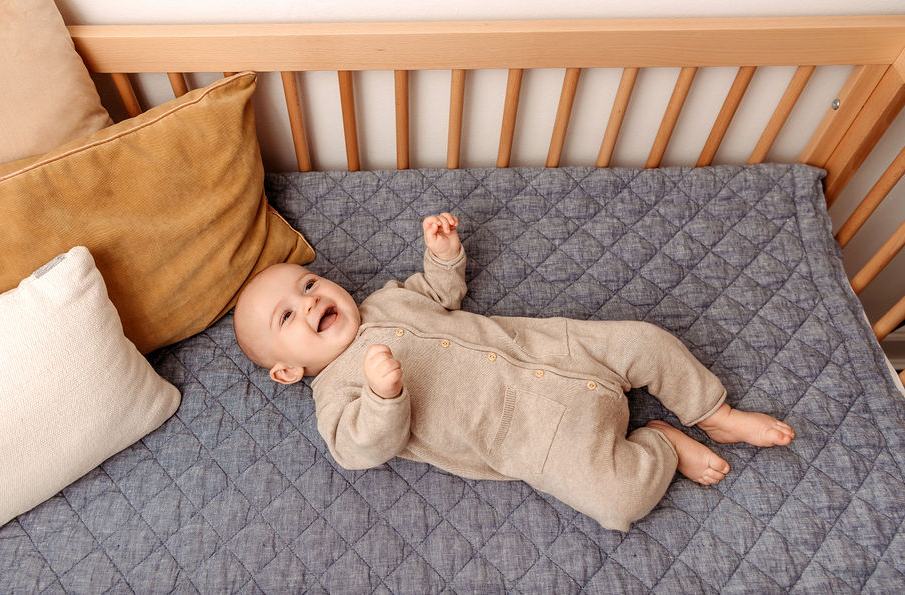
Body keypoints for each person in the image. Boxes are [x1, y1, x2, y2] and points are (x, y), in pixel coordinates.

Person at [233, 213, 794, 531]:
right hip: (538, 437)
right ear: (288, 372)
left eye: (307, 285)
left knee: (646, 341)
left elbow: (440, 294)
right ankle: (663, 444)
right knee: (619, 504)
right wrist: (384, 396)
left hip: (555, 347)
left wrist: (444, 256)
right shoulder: (333, 394)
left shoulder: (386, 301)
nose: (307, 302)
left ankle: (717, 413)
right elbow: (359, 449)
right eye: (287, 315)